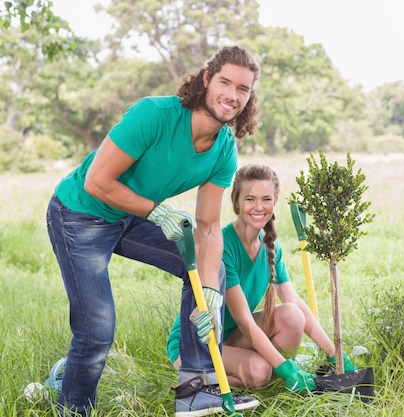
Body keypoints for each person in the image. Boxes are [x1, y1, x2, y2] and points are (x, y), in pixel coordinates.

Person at [46, 46, 262, 417]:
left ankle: (196, 389)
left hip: (130, 216)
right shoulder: (154, 115)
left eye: (243, 89)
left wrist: (209, 290)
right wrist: (156, 210)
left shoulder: (224, 149)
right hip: (79, 214)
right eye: (225, 82)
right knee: (97, 329)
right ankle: (73, 409)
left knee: (209, 267)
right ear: (207, 79)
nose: (232, 95)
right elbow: (98, 181)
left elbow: (208, 227)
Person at [166, 164, 357, 393]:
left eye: (266, 199)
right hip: (196, 343)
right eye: (250, 199)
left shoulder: (270, 246)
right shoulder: (224, 246)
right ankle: (195, 382)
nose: (258, 207)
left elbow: (295, 303)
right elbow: (245, 321)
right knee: (260, 371)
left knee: (292, 316)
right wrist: (287, 369)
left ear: (275, 201)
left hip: (230, 338)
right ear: (236, 202)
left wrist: (334, 353)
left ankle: (254, 366)